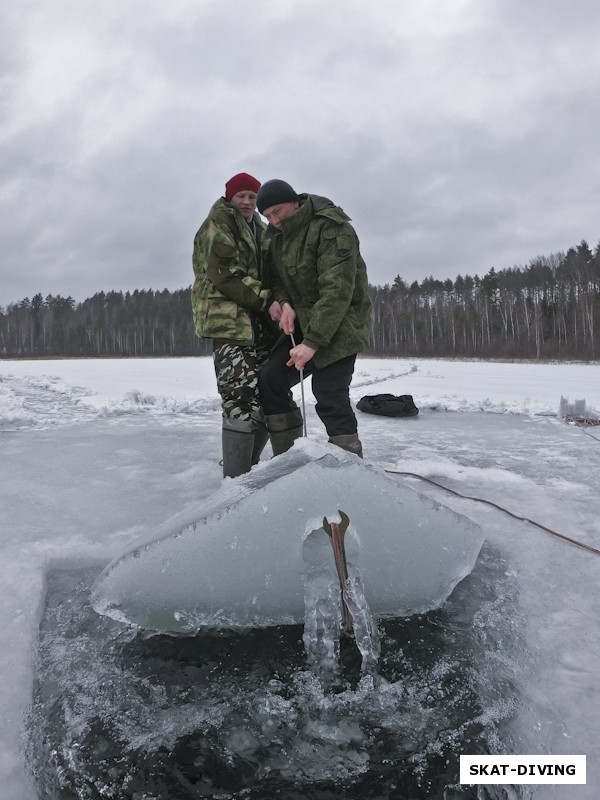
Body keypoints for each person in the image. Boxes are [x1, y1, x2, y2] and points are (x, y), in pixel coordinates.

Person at [256, 179, 372, 458]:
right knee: (270, 378)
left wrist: (312, 342)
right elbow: (278, 280)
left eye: (279, 211)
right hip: (304, 325)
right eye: (268, 216)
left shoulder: (332, 227)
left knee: (329, 392)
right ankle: (288, 456)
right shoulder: (276, 236)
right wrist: (285, 304)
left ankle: (349, 464)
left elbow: (337, 291)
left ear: (295, 202)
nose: (274, 220)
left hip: (340, 324)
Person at [192, 172, 281, 478]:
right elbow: (225, 274)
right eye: (241, 196)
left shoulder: (259, 226)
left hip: (257, 322)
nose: (246, 202)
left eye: (252, 197)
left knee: (271, 391)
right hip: (229, 323)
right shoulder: (218, 224)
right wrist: (268, 300)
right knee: (240, 396)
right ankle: (236, 480)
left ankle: (250, 465)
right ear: (230, 196)